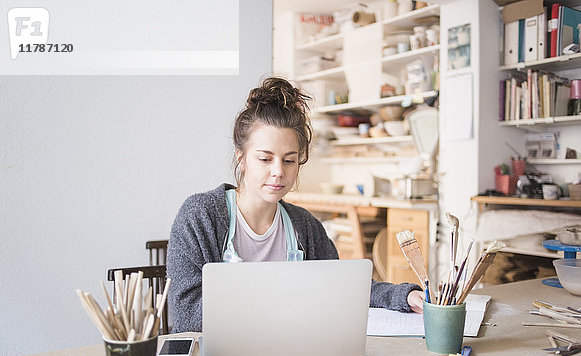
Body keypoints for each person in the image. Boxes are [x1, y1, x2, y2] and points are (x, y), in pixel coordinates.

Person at [167, 77, 425, 333]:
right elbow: (187, 317)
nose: (278, 171)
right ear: (242, 158)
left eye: (289, 161)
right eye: (265, 159)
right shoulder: (200, 217)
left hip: (294, 354)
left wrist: (403, 296)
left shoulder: (305, 226)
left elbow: (342, 287)